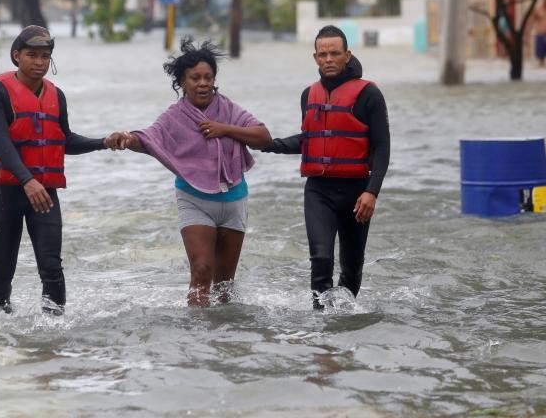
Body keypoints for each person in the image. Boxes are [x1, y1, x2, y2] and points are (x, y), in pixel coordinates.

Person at [105, 37, 271, 307]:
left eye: (208, 77)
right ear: (182, 82)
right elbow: (149, 138)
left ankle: (222, 339)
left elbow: (263, 136)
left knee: (224, 288)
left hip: (234, 198)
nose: (203, 83)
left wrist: (224, 128)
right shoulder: (174, 117)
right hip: (194, 200)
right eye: (195, 78)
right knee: (202, 270)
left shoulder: (229, 110)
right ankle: (196, 339)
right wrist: (126, 137)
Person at [0, 25, 107, 315]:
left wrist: (104, 142)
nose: (39, 62)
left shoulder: (56, 96)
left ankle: (53, 336)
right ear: (16, 56)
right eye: (31, 55)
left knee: (51, 268)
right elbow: (0, 142)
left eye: (45, 56)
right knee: (2, 270)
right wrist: (27, 180)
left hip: (44, 193)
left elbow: (65, 140)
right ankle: (3, 325)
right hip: (6, 191)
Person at [263, 25, 390, 310]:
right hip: (319, 191)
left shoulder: (369, 94)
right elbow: (311, 141)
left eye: (335, 53)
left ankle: (343, 320)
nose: (329, 59)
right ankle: (321, 322)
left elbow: (382, 146)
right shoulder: (308, 95)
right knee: (320, 258)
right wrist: (269, 144)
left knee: (352, 267)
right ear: (315, 58)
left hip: (357, 192)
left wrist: (372, 192)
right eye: (323, 54)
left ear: (347, 55)